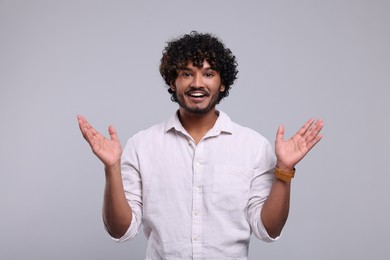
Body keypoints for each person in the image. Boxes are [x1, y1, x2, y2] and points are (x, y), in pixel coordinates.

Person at [78, 31, 323, 259]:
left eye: (208, 74)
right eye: (186, 73)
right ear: (173, 82)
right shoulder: (142, 145)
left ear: (222, 83)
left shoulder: (253, 147)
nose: (197, 83)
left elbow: (267, 230)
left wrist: (284, 171)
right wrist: (112, 167)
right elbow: (120, 231)